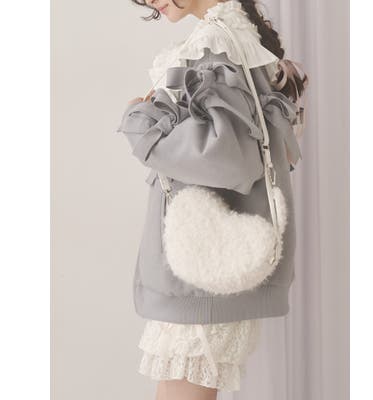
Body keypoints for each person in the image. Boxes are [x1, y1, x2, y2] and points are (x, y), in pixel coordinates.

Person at [115, 0, 308, 398]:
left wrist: (141, 122)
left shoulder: (215, 44)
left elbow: (227, 159)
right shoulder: (235, 36)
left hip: (203, 269)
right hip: (211, 263)